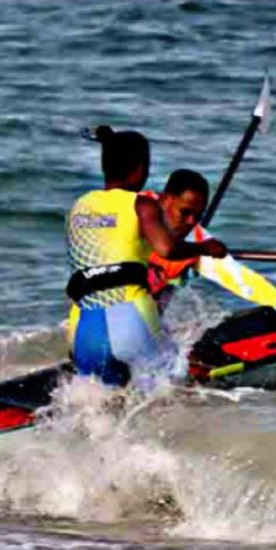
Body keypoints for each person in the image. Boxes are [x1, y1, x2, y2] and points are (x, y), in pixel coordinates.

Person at [66, 126, 227, 387]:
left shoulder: (80, 206)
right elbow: (166, 249)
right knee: (169, 391)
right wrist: (205, 248)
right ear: (141, 169)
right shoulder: (142, 205)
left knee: (99, 409)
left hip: (82, 328)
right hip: (130, 319)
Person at [142, 169, 276, 325]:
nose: (191, 222)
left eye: (198, 216)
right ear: (165, 200)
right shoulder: (132, 209)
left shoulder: (198, 240)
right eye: (184, 213)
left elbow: (238, 278)